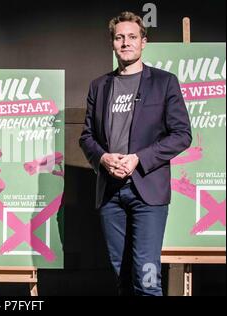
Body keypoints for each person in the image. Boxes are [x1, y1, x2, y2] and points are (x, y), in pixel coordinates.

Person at [79, 12, 192, 295]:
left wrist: (139, 158)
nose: (125, 42)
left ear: (144, 42)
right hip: (110, 193)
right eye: (119, 37)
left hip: (148, 192)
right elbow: (87, 137)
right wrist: (103, 158)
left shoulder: (164, 82)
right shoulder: (99, 85)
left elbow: (182, 135)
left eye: (132, 37)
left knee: (147, 278)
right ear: (112, 43)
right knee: (123, 277)